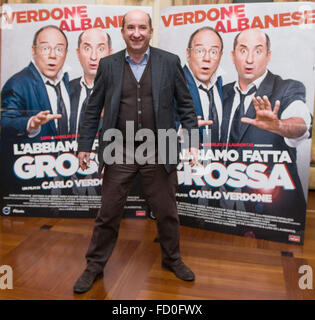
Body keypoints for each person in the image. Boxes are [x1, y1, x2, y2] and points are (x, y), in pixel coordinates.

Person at [73, 9, 199, 294]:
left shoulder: (170, 62)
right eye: (131, 27)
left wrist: (192, 141)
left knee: (167, 212)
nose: (137, 33)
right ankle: (94, 266)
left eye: (142, 27)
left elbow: (187, 106)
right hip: (119, 147)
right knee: (108, 213)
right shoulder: (108, 65)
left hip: (161, 146)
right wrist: (84, 145)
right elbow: (93, 110)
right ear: (122, 31)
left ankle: (172, 259)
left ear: (151, 31)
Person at [221, 28, 311, 227]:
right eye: (243, 50)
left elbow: (301, 123)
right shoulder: (220, 92)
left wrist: (278, 125)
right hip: (223, 208)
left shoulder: (288, 87)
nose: (250, 59)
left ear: (268, 56)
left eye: (258, 51)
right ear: (233, 55)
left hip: (274, 213)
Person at [1, 25, 70, 142]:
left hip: (66, 158)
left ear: (66, 52)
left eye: (59, 49)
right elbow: (5, 123)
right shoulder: (17, 84)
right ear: (33, 50)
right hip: (35, 159)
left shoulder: (66, 79)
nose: (52, 55)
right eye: (45, 48)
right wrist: (30, 123)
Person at [183, 26, 224, 144]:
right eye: (200, 51)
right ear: (188, 53)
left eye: (213, 52)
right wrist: (182, 130)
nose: (207, 58)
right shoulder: (172, 85)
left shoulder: (220, 84)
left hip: (219, 161)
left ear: (220, 56)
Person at [69, 28, 113, 136]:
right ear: (78, 53)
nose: (93, 57)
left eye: (100, 49)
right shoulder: (65, 90)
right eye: (87, 48)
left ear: (110, 54)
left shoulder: (122, 90)